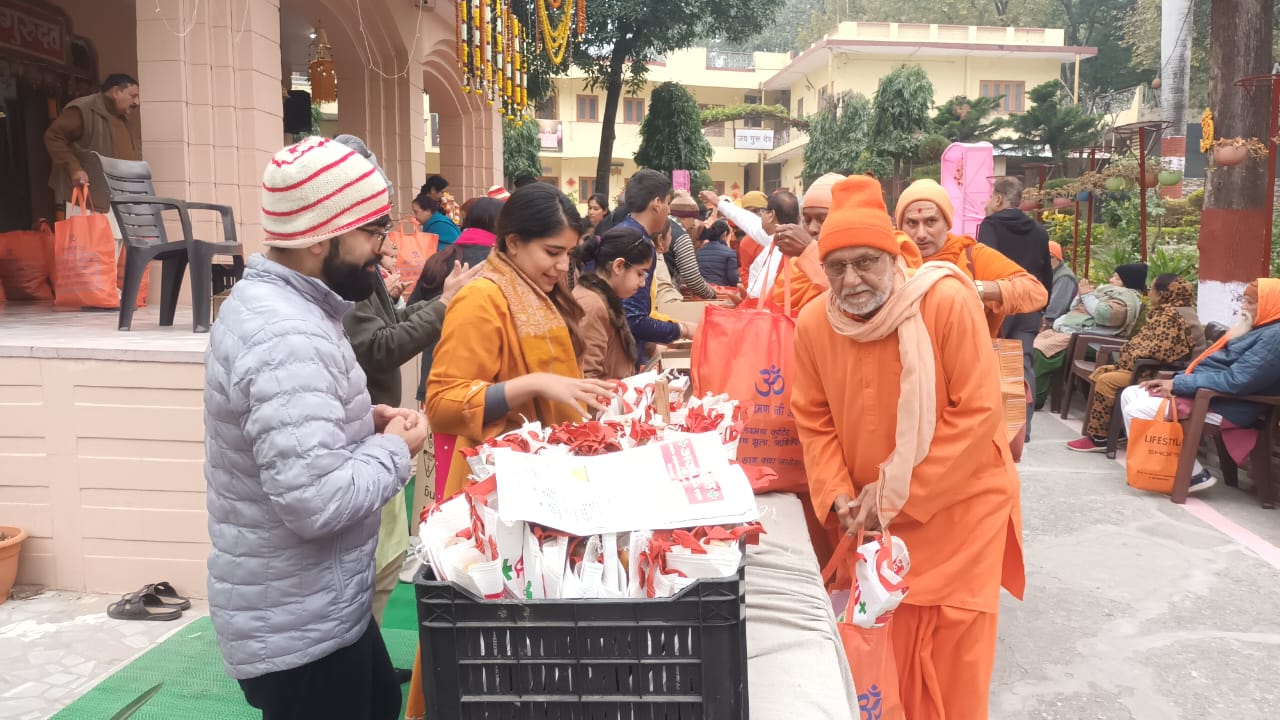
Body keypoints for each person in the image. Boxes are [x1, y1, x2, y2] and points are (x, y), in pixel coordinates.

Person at [204, 136, 429, 720]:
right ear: (319, 237)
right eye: (372, 232)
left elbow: (295, 432)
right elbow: (316, 501)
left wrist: (361, 422)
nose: (383, 250)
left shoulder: (291, 308)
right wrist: (394, 450)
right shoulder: (285, 334)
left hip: (314, 609)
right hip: (298, 628)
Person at [790, 174, 1024, 718]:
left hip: (960, 518)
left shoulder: (946, 302)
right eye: (836, 267)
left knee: (952, 675)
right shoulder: (814, 323)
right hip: (871, 524)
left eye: (865, 262)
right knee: (881, 668)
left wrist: (896, 494)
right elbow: (813, 417)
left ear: (893, 256)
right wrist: (837, 492)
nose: (851, 280)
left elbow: (978, 412)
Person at [425, 182, 617, 498]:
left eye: (568, 253)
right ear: (513, 242)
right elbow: (442, 404)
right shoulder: (481, 298)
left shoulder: (543, 291)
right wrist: (532, 384)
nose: (563, 266)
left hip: (547, 469)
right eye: (552, 252)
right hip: (499, 483)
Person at [1120, 278, 1280, 493]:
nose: (1243, 306)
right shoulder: (1261, 328)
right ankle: (1155, 467)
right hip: (1212, 395)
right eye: (1244, 300)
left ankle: (1193, 475)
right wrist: (1176, 379)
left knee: (1138, 410)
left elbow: (1237, 381)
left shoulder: (1275, 336)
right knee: (1132, 393)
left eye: (1250, 302)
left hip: (1228, 406)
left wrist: (1178, 383)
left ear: (1271, 305)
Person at [1067, 275, 1204, 452]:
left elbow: (1162, 352)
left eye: (1152, 289)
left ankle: (1101, 438)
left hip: (1163, 373)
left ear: (1162, 294)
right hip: (1152, 367)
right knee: (1104, 372)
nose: (1149, 293)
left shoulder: (1173, 316)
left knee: (1107, 380)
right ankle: (1115, 431)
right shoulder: (1175, 310)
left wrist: (1129, 357)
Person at [896, 179, 1048, 339]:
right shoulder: (889, 260)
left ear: (947, 223)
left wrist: (978, 289)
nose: (921, 234)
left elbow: (1035, 291)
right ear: (900, 227)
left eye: (931, 221)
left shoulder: (970, 255)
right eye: (912, 223)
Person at [768, 173, 922, 311]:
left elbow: (867, 302)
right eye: (807, 220)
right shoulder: (797, 263)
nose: (812, 229)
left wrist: (809, 252)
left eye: (823, 219)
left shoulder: (891, 248)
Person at [979, 176, 1054, 438]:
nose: (988, 202)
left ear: (999, 199)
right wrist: (1042, 311)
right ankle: (1022, 431)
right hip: (1028, 308)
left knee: (990, 365)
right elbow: (1046, 275)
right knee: (1022, 366)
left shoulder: (990, 225)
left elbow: (984, 264)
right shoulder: (1039, 231)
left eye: (991, 197)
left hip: (998, 305)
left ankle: (993, 427)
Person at [1032, 263, 1148, 406]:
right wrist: (1083, 295)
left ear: (1129, 281)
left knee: (1044, 351)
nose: (1111, 280)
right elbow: (1075, 308)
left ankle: (1035, 398)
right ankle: (1027, 390)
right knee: (1035, 342)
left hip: (1094, 342)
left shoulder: (1126, 299)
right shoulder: (1110, 293)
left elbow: (1103, 315)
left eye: (1117, 278)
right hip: (1079, 334)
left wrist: (1087, 296)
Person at [44, 73, 141, 237]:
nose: (137, 102)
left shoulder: (123, 118)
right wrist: (74, 168)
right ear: (116, 92)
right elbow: (53, 136)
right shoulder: (83, 109)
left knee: (118, 250)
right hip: (90, 201)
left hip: (121, 201)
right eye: (133, 96)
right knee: (92, 251)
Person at [617, 170, 695, 364]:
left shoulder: (626, 231)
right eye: (668, 203)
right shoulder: (638, 243)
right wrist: (683, 329)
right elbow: (633, 318)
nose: (669, 211)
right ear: (657, 203)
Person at [573, 226, 652, 379]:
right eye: (640, 273)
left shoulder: (602, 298)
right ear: (618, 266)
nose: (643, 283)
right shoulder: (592, 305)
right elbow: (586, 377)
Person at [701, 188, 800, 299]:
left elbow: (759, 293)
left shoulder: (782, 247)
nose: (759, 216)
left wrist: (746, 301)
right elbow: (748, 221)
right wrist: (718, 202)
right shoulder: (780, 238)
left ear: (771, 215)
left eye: (762, 211)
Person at [660, 191, 717, 299]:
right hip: (666, 297)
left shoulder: (662, 225)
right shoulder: (681, 236)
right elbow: (693, 279)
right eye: (693, 219)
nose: (693, 224)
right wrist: (712, 295)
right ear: (687, 216)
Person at [1043, 241, 1079, 329]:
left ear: (1058, 259)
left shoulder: (1064, 277)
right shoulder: (1047, 273)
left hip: (1055, 324)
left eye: (1051, 257)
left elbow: (1053, 311)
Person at [695, 219, 738, 287]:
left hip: (702, 289)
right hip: (721, 290)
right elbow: (733, 279)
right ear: (724, 234)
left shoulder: (699, 252)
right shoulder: (730, 253)